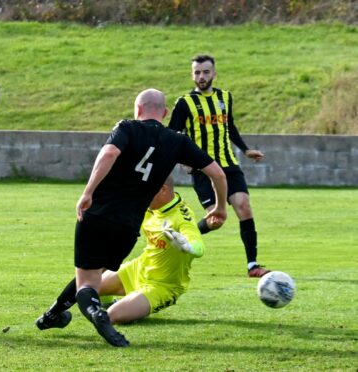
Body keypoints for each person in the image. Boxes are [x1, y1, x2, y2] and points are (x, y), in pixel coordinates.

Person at [36, 88, 228, 347]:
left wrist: (88, 192)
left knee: (86, 283)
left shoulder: (126, 127)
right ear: (165, 113)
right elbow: (218, 174)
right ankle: (51, 316)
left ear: (137, 109)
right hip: (128, 226)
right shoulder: (177, 141)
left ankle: (94, 314)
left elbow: (110, 153)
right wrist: (219, 208)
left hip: (99, 213)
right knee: (94, 276)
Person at [168, 54, 270, 278]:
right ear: (192, 75)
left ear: (214, 73)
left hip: (229, 164)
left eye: (205, 72)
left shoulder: (225, 97)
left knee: (244, 206)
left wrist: (245, 149)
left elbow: (229, 126)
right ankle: (179, 241)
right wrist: (182, 158)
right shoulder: (185, 103)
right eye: (197, 72)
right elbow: (172, 134)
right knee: (215, 221)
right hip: (203, 169)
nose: (201, 76)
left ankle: (252, 266)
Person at [97, 176, 205, 324]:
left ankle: (132, 307)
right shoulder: (151, 207)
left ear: (163, 190)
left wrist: (188, 247)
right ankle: (116, 303)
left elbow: (199, 247)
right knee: (88, 287)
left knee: (109, 317)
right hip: (137, 269)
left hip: (162, 286)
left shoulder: (182, 217)